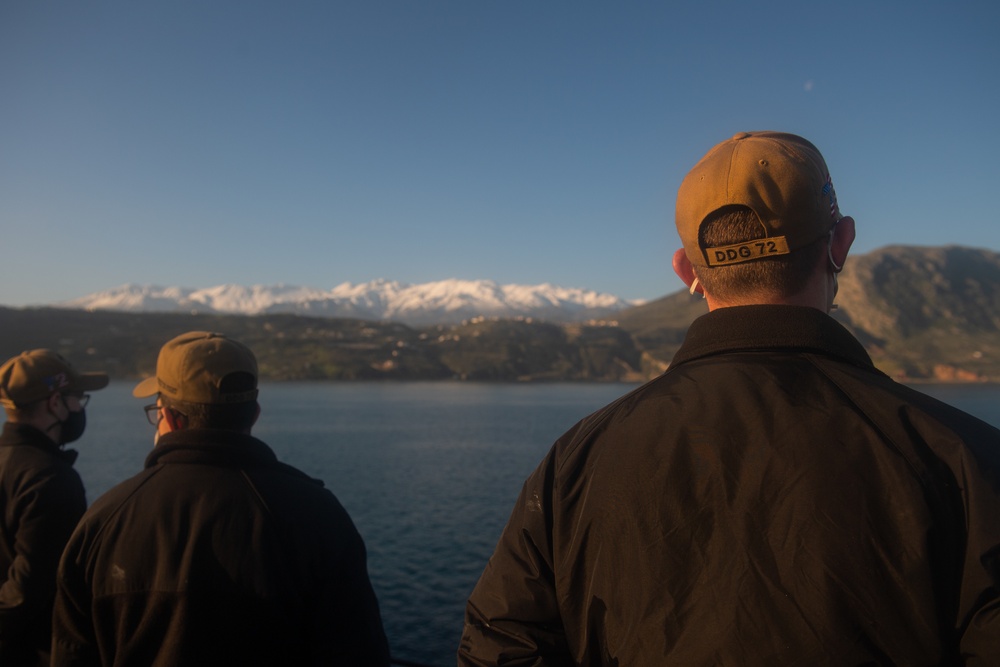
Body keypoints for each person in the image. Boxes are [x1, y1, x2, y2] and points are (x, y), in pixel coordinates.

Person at [458, 132, 1000, 665]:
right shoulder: (966, 460)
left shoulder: (574, 464)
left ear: (686, 271)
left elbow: (500, 645)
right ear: (840, 244)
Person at [51, 331, 390, 666]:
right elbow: (361, 652)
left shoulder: (105, 519)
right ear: (254, 413)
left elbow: (72, 654)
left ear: (168, 417)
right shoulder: (318, 516)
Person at [0, 349, 108, 667]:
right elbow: (30, 587)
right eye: (77, 398)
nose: (79, 408)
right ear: (55, 403)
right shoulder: (51, 478)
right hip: (31, 652)